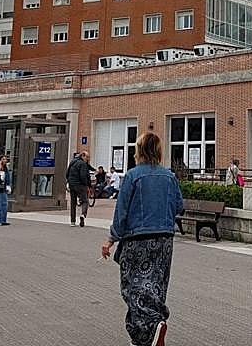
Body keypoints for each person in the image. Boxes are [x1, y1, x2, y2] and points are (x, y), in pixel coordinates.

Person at [101, 132, 183, 346]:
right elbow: (179, 206)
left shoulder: (133, 175)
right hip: (164, 240)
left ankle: (147, 331)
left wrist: (111, 239)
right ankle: (153, 328)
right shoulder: (169, 176)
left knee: (133, 286)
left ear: (139, 150)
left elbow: (122, 211)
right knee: (157, 284)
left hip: (137, 239)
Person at [67, 149, 92, 227]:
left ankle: (72, 221)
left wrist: (68, 181)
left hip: (72, 184)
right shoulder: (82, 164)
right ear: (82, 156)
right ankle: (83, 215)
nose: (87, 159)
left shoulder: (72, 162)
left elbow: (67, 173)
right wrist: (87, 185)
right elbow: (83, 176)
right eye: (87, 157)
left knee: (73, 202)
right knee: (85, 201)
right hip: (80, 185)